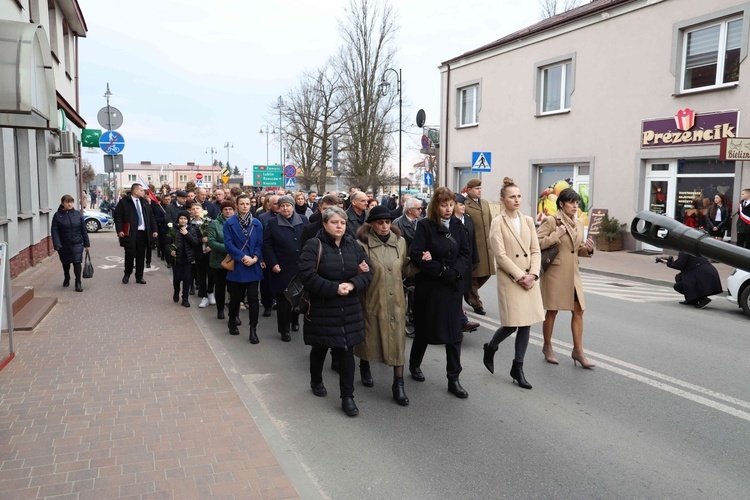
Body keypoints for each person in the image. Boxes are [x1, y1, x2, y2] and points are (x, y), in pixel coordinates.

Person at [298, 206, 372, 417]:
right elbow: (307, 275)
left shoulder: (353, 245)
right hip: (322, 307)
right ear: (324, 224)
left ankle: (347, 397)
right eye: (334, 222)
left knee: (346, 352)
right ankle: (316, 380)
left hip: (348, 308)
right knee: (320, 347)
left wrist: (353, 284)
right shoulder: (314, 245)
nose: (339, 226)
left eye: (342, 222)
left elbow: (369, 271)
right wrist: (334, 288)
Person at [408, 187, 471, 398]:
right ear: (436, 205)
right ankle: (414, 364)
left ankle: (454, 378)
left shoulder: (458, 226)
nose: (448, 209)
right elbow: (416, 254)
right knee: (425, 329)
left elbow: (465, 253)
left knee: (454, 334)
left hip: (452, 286)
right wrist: (440, 269)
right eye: (444, 205)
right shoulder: (425, 226)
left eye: (451, 205)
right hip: (431, 288)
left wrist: (454, 271)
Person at [484, 178, 545, 389]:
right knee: (511, 324)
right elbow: (500, 256)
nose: (517, 200)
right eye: (512, 196)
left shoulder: (528, 220)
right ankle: (491, 347)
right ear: (503, 200)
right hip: (512, 279)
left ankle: (517, 367)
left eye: (519, 196)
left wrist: (534, 275)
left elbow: (536, 250)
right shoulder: (497, 222)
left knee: (526, 323)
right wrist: (521, 276)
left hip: (529, 277)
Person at [355, 205, 412, 405]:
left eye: (388, 222)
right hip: (372, 299)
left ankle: (398, 384)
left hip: (396, 301)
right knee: (369, 338)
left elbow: (405, 269)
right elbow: (355, 272)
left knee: (397, 343)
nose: (385, 226)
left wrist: (422, 262)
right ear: (372, 225)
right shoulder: (361, 245)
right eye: (380, 223)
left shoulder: (401, 243)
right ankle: (364, 364)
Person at [537, 187, 596, 368]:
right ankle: (547, 347)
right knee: (552, 311)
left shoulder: (578, 223)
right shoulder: (551, 220)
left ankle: (578, 351)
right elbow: (536, 243)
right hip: (555, 273)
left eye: (577, 202)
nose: (575, 206)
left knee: (578, 310)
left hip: (573, 274)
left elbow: (576, 249)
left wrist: (589, 249)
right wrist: (556, 235)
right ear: (561, 204)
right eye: (571, 202)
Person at [263, 195, 309, 341]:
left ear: (292, 206)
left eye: (288, 205)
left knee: (299, 296)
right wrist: (273, 263)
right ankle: (284, 329)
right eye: (282, 206)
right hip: (281, 267)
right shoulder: (272, 222)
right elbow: (267, 245)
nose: (285, 208)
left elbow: (309, 241)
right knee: (283, 300)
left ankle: (295, 320)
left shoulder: (303, 220)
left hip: (300, 266)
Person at [223, 194, 264, 342]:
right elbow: (228, 244)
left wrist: (255, 258)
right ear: (237, 205)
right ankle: (232, 319)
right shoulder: (229, 223)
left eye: (247, 204)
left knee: (253, 299)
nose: (245, 206)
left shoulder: (257, 223)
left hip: (252, 266)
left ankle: (253, 329)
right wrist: (242, 257)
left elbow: (260, 243)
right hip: (238, 266)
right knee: (236, 299)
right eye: (242, 204)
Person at [113, 183, 159, 285]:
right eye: (142, 190)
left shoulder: (145, 203)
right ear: (135, 191)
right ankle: (127, 274)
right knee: (130, 254)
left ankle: (139, 276)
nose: (144, 192)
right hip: (130, 233)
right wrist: (119, 230)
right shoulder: (124, 202)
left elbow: (151, 217)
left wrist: (154, 230)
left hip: (143, 233)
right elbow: (118, 217)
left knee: (141, 256)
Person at [463, 178, 496, 315]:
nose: (479, 191)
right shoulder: (465, 204)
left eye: (480, 188)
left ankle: (469, 291)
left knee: (487, 273)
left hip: (487, 246)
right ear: (469, 190)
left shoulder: (484, 203)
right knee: (474, 275)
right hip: (475, 247)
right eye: (477, 189)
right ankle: (476, 302)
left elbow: (490, 222)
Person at [51, 194, 90, 292]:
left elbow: (83, 230)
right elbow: (54, 231)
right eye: (67, 202)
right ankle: (67, 277)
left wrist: (87, 244)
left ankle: (78, 282)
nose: (69, 204)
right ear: (62, 203)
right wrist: (57, 245)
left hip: (77, 243)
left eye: (71, 202)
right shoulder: (57, 216)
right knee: (66, 263)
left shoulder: (77, 214)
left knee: (77, 263)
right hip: (64, 244)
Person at [453, 194, 481, 332]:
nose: (463, 206)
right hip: (455, 261)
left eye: (464, 204)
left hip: (467, 261)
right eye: (461, 204)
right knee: (456, 291)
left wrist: (475, 258)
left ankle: (460, 318)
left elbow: (473, 240)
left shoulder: (468, 219)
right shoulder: (450, 221)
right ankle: (460, 320)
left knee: (464, 288)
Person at [657, 253, 722, 308]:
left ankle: (702, 299)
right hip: (708, 272)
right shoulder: (692, 248)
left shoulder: (684, 250)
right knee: (680, 278)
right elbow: (684, 262)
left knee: (679, 285)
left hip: (701, 274)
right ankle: (692, 300)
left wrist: (668, 263)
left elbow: (680, 265)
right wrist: (671, 262)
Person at [207, 200, 235, 320]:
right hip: (219, 261)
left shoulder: (238, 222)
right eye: (225, 209)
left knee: (234, 288)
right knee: (220, 286)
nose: (228, 211)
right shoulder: (215, 224)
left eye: (230, 209)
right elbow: (211, 242)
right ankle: (220, 309)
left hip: (235, 261)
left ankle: (233, 313)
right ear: (221, 211)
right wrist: (229, 249)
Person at [169, 211, 200, 307]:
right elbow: (168, 242)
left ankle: (185, 298)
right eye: (181, 218)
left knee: (187, 278)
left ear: (188, 220)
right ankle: (176, 291)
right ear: (178, 219)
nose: (183, 221)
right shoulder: (173, 229)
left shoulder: (191, 230)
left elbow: (195, 243)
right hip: (177, 258)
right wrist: (171, 250)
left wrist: (187, 234)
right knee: (177, 278)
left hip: (187, 258)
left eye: (185, 219)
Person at [189, 202, 214, 308]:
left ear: (202, 209)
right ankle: (204, 296)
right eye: (193, 208)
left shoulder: (210, 222)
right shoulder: (191, 224)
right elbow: (191, 239)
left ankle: (211, 293)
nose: (195, 210)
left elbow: (215, 235)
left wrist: (211, 244)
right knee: (201, 275)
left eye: (197, 208)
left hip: (210, 252)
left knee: (212, 274)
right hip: (198, 252)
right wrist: (201, 240)